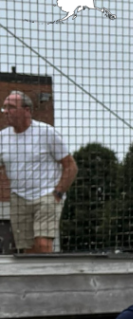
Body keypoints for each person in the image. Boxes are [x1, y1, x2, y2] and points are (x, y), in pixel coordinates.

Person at [0, 91, 78, 253]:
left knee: (43, 245)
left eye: (11, 107)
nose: (6, 111)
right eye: (4, 107)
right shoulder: (2, 138)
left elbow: (70, 166)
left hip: (46, 195)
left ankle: (49, 277)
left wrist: (57, 194)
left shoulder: (46, 132)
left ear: (27, 110)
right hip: (18, 198)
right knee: (27, 249)